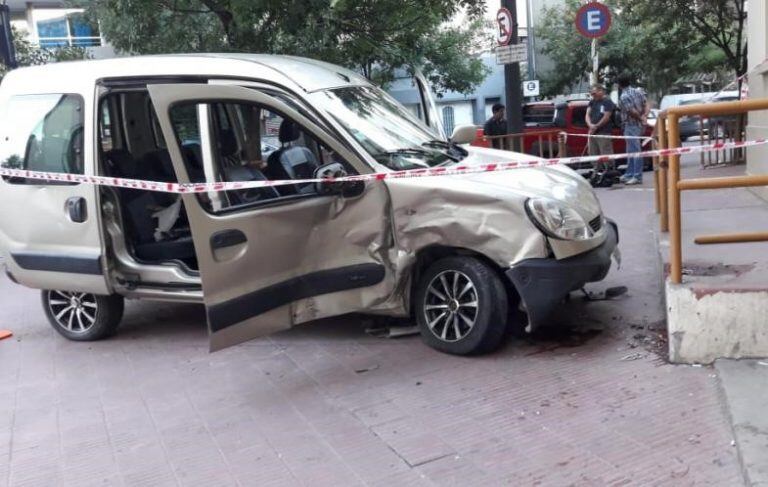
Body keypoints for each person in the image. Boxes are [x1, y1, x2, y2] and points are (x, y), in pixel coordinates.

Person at [617, 73, 649, 185]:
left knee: (635, 150)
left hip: (631, 124)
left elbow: (631, 111)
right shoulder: (638, 91)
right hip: (637, 125)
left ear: (619, 85)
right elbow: (646, 104)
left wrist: (641, 118)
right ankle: (629, 173)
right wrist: (645, 116)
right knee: (630, 150)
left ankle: (637, 176)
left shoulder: (624, 96)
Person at [585, 84, 616, 173]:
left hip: (603, 131)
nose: (593, 96)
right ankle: (596, 169)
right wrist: (590, 125)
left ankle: (609, 170)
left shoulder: (607, 101)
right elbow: (587, 114)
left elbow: (606, 116)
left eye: (594, 93)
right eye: (592, 94)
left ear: (601, 91)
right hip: (593, 131)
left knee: (605, 151)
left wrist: (597, 126)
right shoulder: (592, 102)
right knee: (593, 151)